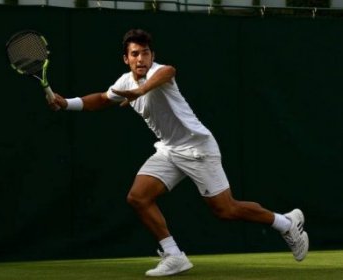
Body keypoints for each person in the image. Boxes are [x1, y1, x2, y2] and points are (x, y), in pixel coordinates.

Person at [49, 29, 309, 277]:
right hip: (170, 150)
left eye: (146, 53)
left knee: (225, 210)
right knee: (138, 197)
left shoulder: (160, 72)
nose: (141, 58)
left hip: (198, 149)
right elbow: (104, 99)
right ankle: (174, 255)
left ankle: (285, 223)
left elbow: (169, 72)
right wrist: (67, 103)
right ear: (126, 58)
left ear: (152, 55)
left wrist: (140, 90)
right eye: (135, 54)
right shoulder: (124, 81)